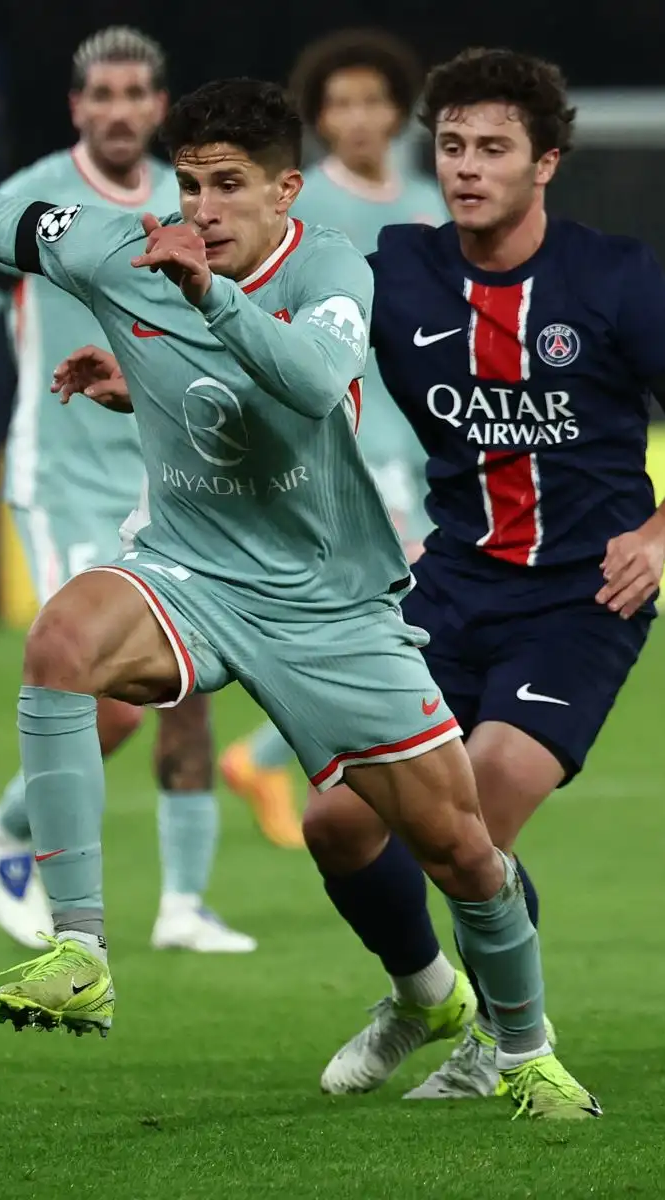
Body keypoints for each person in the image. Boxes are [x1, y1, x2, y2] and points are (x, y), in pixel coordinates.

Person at [0, 76, 599, 1117]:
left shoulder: (328, 265)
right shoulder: (116, 246)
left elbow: (314, 382)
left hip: (327, 606)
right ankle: (79, 949)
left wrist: (203, 300)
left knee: (459, 849)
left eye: (229, 186)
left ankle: (522, 1051)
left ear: (286, 191)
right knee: (61, 642)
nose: (204, 210)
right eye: (189, 186)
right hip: (187, 572)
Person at [308, 47, 665, 1101]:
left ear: (545, 162)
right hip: (449, 586)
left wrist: (657, 540)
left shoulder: (614, 276)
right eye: (452, 146)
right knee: (334, 825)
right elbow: (287, 358)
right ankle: (424, 995)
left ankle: (503, 1041)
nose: (467, 167)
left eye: (493, 148)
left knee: (476, 811)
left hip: (579, 601)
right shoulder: (395, 269)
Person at [0, 26, 254, 956]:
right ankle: (8, 828)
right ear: (77, 108)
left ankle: (184, 905)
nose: (117, 110)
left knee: (192, 681)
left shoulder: (184, 202)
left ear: (159, 106)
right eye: (100, 95)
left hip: (174, 479)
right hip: (64, 485)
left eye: (134, 94)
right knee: (111, 692)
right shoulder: (30, 199)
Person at [219, 29, 445, 853]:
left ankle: (296, 756)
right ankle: (282, 752)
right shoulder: (302, 199)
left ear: (397, 111)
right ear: (319, 117)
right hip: (349, 430)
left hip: (425, 426)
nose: (358, 116)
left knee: (405, 599)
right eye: (340, 103)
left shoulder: (428, 199)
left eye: (373, 100)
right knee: (404, 593)